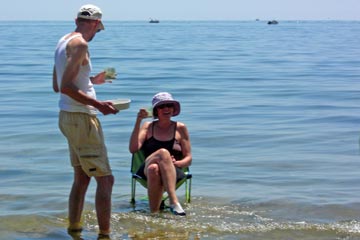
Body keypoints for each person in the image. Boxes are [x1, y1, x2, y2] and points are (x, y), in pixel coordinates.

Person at [52, 4, 118, 239]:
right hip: (81, 118)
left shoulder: (63, 41)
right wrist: (99, 105)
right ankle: (105, 235)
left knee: (81, 177)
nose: (97, 33)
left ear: (77, 19)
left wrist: (91, 81)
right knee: (106, 180)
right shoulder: (80, 44)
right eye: (98, 29)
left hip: (67, 117)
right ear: (96, 24)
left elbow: (58, 85)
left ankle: (74, 229)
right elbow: (66, 87)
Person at [129, 92, 192, 216]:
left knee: (154, 169)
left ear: (174, 109)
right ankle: (174, 201)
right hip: (146, 167)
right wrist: (138, 121)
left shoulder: (180, 128)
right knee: (163, 154)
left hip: (173, 170)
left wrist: (178, 163)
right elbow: (133, 148)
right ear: (155, 111)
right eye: (161, 106)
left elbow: (188, 158)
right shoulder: (148, 126)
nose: (166, 108)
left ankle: (154, 214)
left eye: (169, 105)